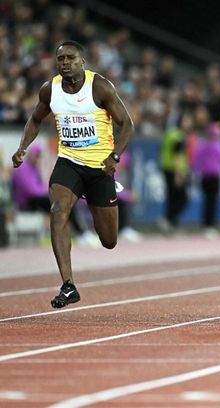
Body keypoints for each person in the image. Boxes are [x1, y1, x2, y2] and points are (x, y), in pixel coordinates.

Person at [11, 40, 134, 308]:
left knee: (109, 241)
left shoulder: (99, 87)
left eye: (70, 58)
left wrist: (114, 156)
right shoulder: (50, 89)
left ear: (82, 62)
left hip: (100, 168)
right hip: (69, 163)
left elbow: (127, 124)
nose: (65, 62)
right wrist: (22, 147)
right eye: (61, 59)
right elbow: (35, 119)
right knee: (58, 210)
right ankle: (68, 285)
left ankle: (93, 200)